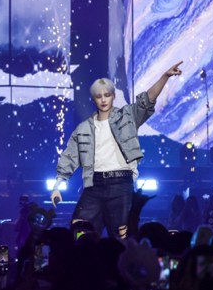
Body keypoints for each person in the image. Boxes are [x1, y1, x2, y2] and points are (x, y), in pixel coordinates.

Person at [50, 62, 182, 240]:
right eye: (99, 96)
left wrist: (165, 76)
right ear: (93, 99)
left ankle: (121, 257)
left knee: (122, 237)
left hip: (120, 183)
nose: (103, 100)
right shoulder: (84, 128)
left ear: (113, 96)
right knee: (79, 231)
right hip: (94, 185)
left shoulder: (127, 117)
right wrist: (57, 186)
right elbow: (70, 157)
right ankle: (84, 257)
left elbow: (147, 100)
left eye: (107, 95)